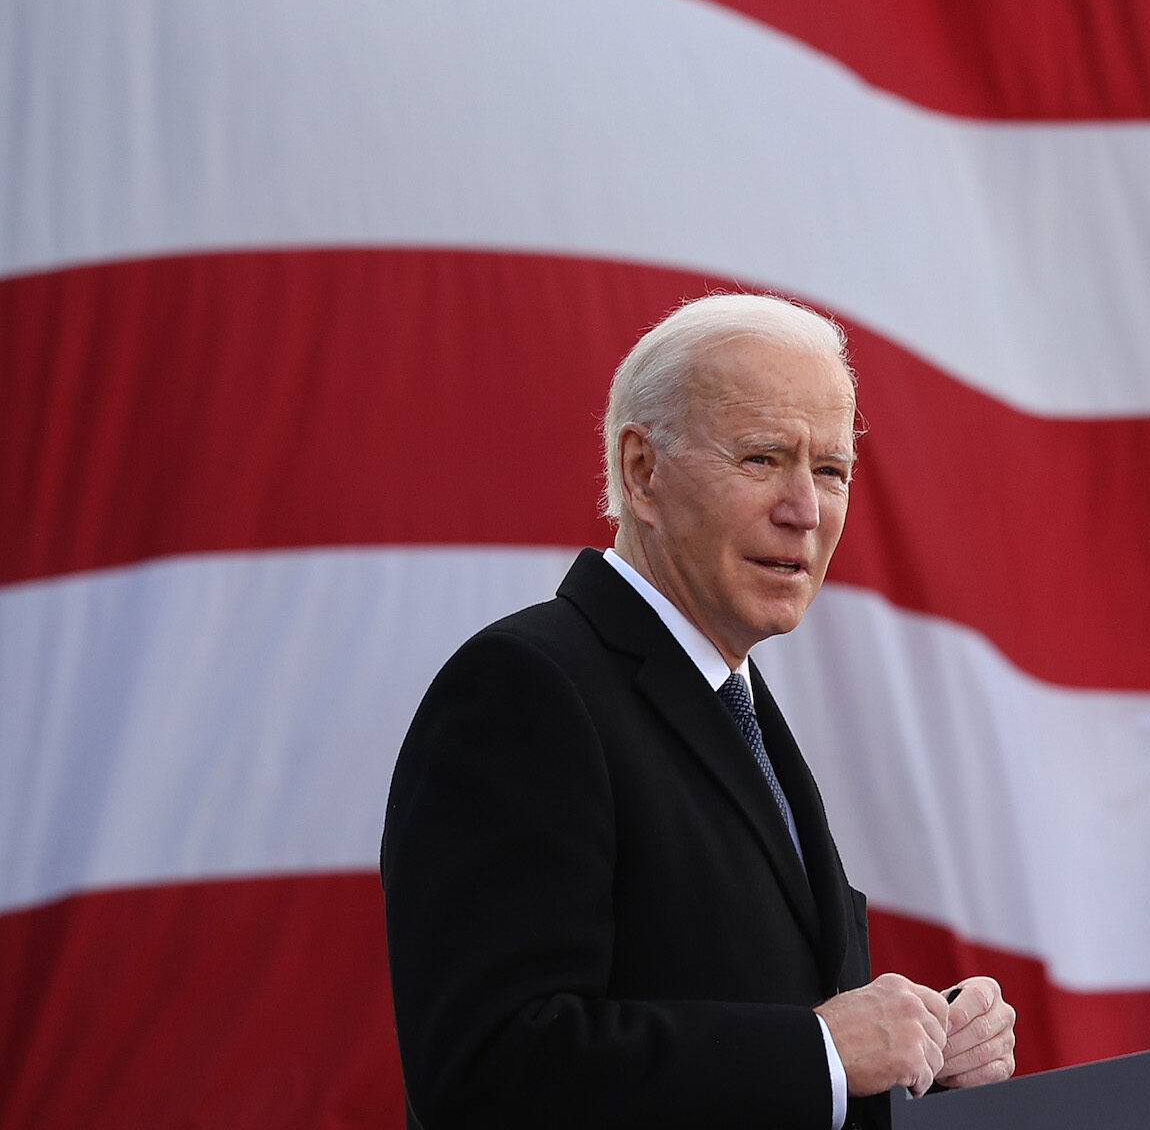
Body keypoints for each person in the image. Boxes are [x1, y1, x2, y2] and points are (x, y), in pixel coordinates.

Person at [381, 293, 1017, 1129]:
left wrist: (920, 1058)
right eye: (762, 459)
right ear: (642, 472)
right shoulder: (523, 690)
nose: (806, 510)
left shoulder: (736, 710)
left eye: (830, 471)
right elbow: (489, 1071)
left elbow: (756, 1012)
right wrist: (822, 1053)